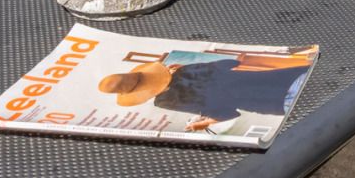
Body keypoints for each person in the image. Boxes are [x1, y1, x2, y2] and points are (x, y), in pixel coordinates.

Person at [99, 50, 314, 132]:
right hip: (290, 77)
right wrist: (187, 70)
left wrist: (202, 123)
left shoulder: (166, 102)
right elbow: (229, 63)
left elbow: (228, 112)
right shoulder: (186, 71)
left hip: (274, 102)